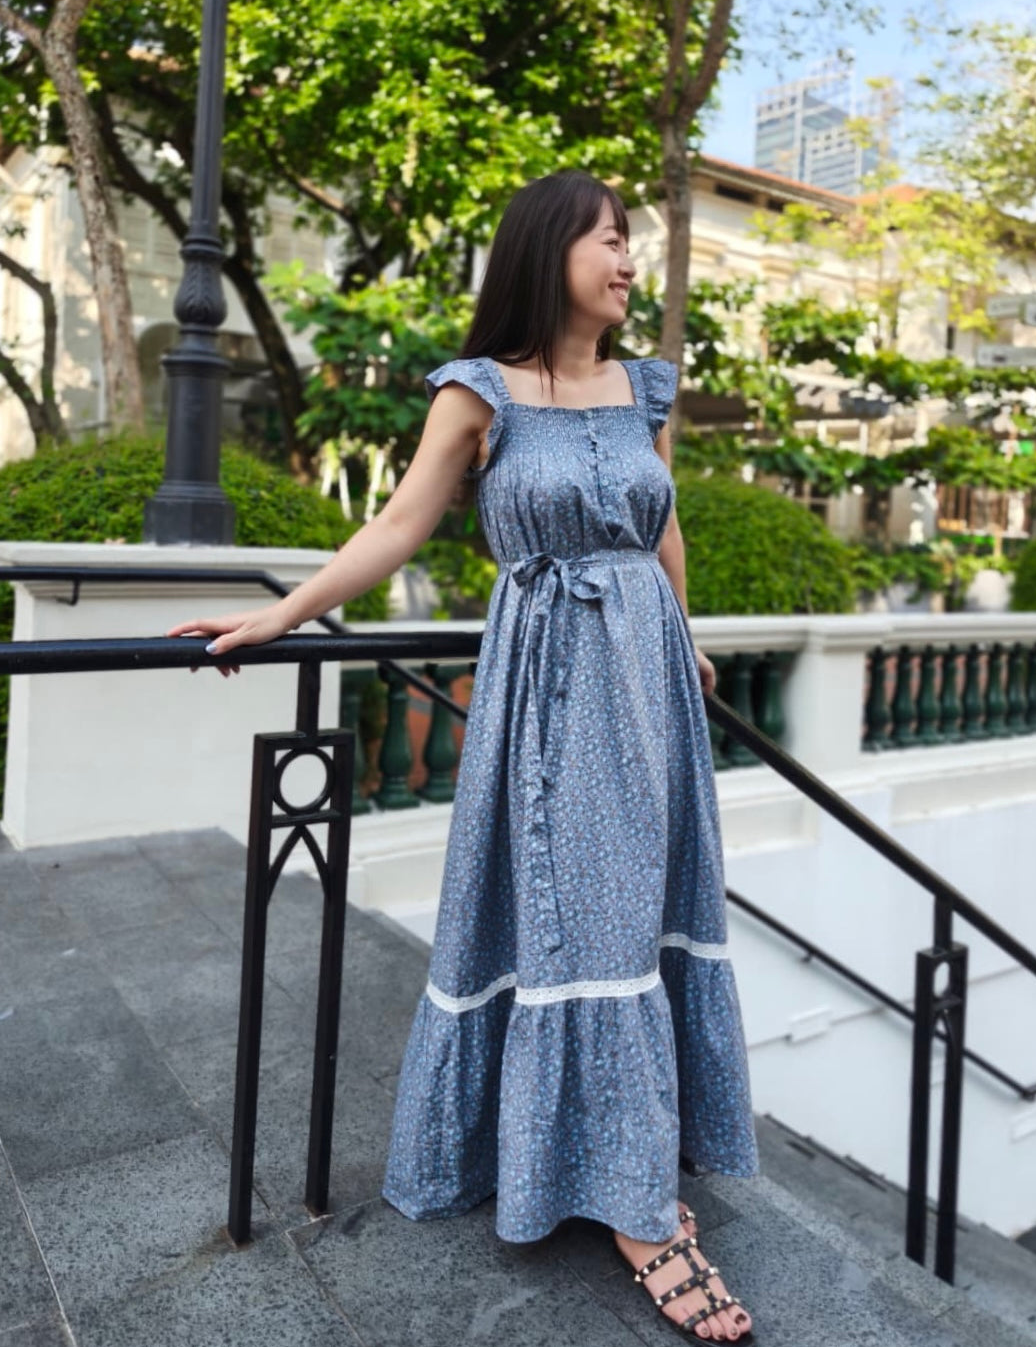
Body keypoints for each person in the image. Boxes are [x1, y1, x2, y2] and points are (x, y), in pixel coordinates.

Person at [169, 170, 759, 1343]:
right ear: (548, 252)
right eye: (608, 240)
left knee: (639, 911)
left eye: (630, 242)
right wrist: (279, 616)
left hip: (647, 685)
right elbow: (397, 525)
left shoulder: (645, 389)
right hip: (550, 690)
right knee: (580, 916)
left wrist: (683, 639)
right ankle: (638, 1213)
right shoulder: (478, 391)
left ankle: (623, 1159)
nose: (628, 261)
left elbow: (665, 529)